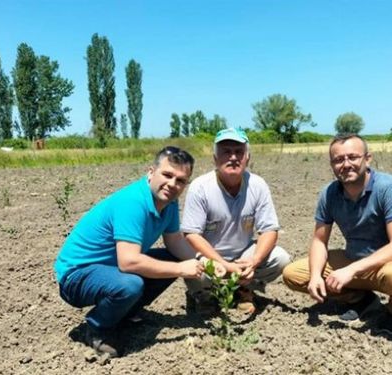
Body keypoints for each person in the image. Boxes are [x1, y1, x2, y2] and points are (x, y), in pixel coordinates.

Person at [54, 146, 204, 357]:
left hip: (109, 269)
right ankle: (97, 328)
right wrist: (181, 268)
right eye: (167, 175)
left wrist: (203, 262)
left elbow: (175, 242)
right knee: (132, 283)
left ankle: (124, 313)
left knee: (171, 258)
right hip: (76, 276)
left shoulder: (168, 203)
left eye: (180, 180)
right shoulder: (133, 202)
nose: (172, 184)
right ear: (151, 172)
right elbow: (129, 263)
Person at [282, 133, 392, 336]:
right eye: (338, 160)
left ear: (368, 158)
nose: (345, 164)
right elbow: (319, 241)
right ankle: (360, 299)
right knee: (293, 274)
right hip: (355, 258)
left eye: (352, 157)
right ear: (332, 165)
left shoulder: (388, 188)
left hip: (391, 263)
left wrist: (351, 270)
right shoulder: (329, 194)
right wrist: (314, 277)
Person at [181, 127, 291, 314]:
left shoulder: (257, 185)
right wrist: (224, 264)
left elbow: (270, 229)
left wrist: (254, 261)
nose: (233, 157)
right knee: (194, 268)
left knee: (280, 259)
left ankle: (243, 290)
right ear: (215, 159)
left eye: (239, 152)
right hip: (209, 255)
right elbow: (191, 235)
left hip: (243, 254)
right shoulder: (200, 187)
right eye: (226, 152)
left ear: (247, 158)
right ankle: (203, 295)